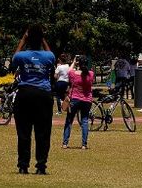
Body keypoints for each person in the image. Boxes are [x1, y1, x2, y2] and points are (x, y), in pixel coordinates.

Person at [12, 25, 55, 175]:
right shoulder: (48, 57)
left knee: (24, 132)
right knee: (43, 132)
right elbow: (51, 54)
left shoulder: (22, 56)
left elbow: (14, 57)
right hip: (43, 94)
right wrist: (43, 39)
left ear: (28, 39)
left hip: (25, 93)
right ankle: (41, 166)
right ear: (41, 39)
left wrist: (23, 39)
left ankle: (23, 165)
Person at [61, 56, 94, 150]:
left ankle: (65, 143)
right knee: (84, 121)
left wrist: (74, 62)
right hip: (87, 100)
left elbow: (69, 71)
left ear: (78, 64)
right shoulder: (91, 74)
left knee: (69, 121)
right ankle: (84, 144)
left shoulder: (74, 74)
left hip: (75, 99)